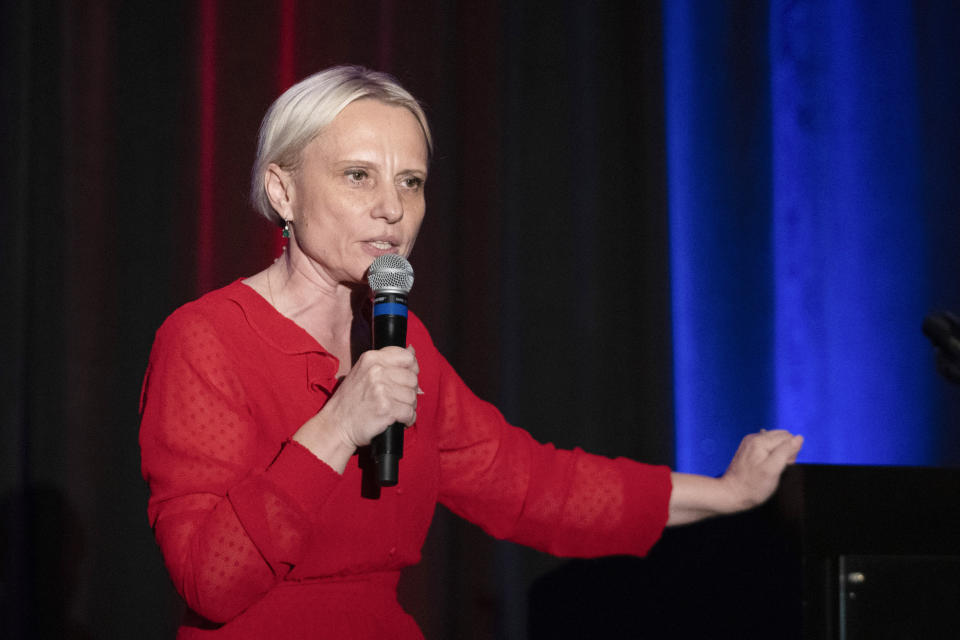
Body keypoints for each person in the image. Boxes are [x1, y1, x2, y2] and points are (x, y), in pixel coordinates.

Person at [139, 65, 803, 639]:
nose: (391, 210)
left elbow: (531, 486)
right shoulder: (207, 337)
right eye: (358, 176)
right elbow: (210, 580)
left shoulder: (400, 335)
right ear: (283, 190)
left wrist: (724, 494)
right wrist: (339, 426)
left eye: (411, 182)